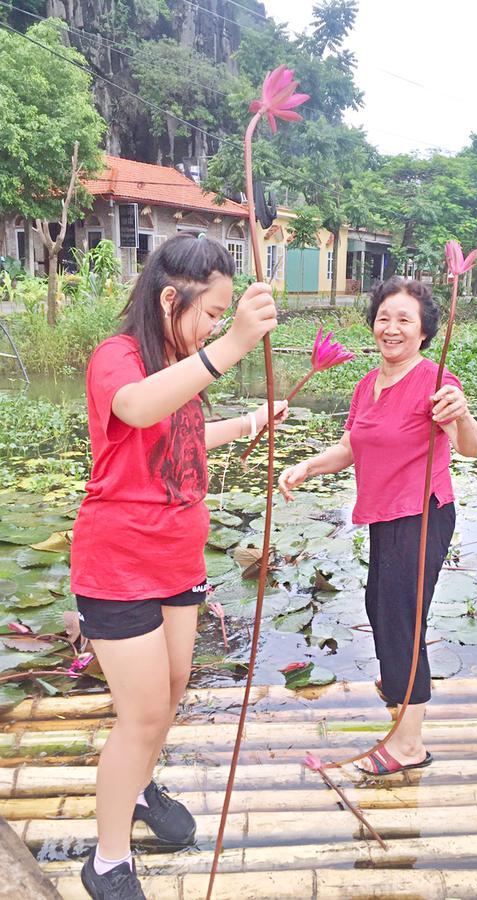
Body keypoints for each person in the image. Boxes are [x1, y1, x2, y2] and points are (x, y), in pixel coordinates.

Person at [70, 234, 287, 899]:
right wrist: (231, 348)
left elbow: (184, 435)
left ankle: (137, 788)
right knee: (138, 717)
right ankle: (107, 862)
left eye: (224, 316)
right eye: (212, 312)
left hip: (177, 561)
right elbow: (137, 408)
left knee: (169, 692)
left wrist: (248, 422)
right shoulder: (120, 358)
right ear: (171, 297)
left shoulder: (177, 361)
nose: (216, 326)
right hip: (119, 567)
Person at [279, 277, 477, 777]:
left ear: (424, 331)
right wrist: (307, 466)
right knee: (380, 606)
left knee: (401, 621)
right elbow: (351, 448)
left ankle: (409, 745)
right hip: (384, 517)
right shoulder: (367, 385)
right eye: (383, 318)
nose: (391, 328)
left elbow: (469, 446)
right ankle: (398, 692)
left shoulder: (437, 381)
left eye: (404, 320)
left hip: (421, 515)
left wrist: (463, 416)